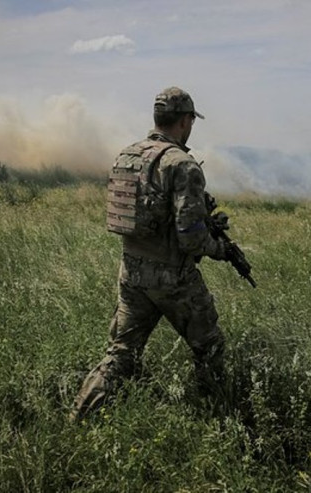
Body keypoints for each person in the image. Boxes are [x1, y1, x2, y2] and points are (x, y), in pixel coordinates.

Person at [70, 87, 228, 421]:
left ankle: (79, 418)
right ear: (185, 121)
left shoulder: (127, 155)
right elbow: (191, 239)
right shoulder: (182, 165)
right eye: (191, 121)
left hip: (132, 273)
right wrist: (220, 249)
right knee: (209, 348)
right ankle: (215, 420)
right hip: (173, 278)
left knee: (121, 353)